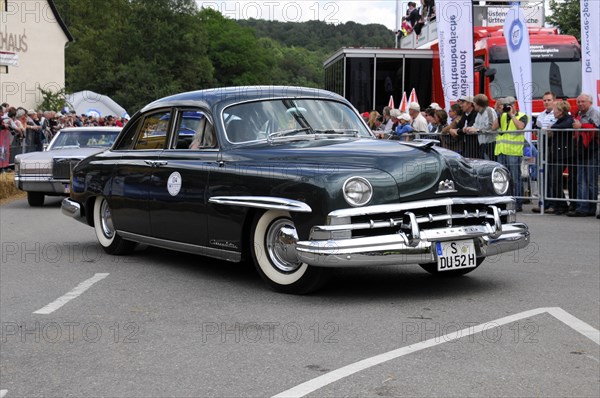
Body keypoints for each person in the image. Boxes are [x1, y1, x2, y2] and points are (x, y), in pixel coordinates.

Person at [492, 96, 529, 212]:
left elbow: (520, 127)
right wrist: (498, 112)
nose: (506, 107)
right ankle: (504, 201)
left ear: (514, 105)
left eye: (508, 105)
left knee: (515, 178)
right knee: (502, 178)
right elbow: (493, 128)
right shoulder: (502, 116)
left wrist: (512, 115)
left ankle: (517, 202)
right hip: (501, 151)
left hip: (513, 152)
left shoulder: (522, 116)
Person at [569, 93, 600, 217]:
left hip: (592, 150)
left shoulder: (594, 113)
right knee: (581, 180)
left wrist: (581, 126)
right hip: (581, 150)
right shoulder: (578, 114)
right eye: (579, 102)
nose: (580, 104)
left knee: (591, 181)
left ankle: (591, 207)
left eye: (583, 102)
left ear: (590, 102)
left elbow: (597, 128)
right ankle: (582, 207)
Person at [544, 99, 574, 215]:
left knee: (556, 180)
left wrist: (551, 128)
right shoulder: (558, 121)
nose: (553, 112)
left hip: (563, 155)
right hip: (556, 154)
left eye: (555, 110)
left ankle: (563, 205)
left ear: (561, 111)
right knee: (554, 180)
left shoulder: (567, 119)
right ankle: (560, 204)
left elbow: (564, 125)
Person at [532, 91, 557, 213]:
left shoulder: (557, 114)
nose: (546, 102)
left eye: (549, 100)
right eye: (545, 100)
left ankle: (552, 203)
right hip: (542, 146)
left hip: (552, 147)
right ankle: (543, 203)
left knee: (551, 176)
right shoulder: (541, 115)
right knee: (542, 175)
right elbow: (537, 128)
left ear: (554, 101)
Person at [464, 94, 497, 160]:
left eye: (474, 103)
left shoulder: (489, 111)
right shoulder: (479, 113)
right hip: (482, 144)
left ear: (478, 104)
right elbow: (476, 125)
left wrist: (477, 130)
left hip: (491, 143)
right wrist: (469, 129)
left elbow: (491, 127)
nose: (473, 105)